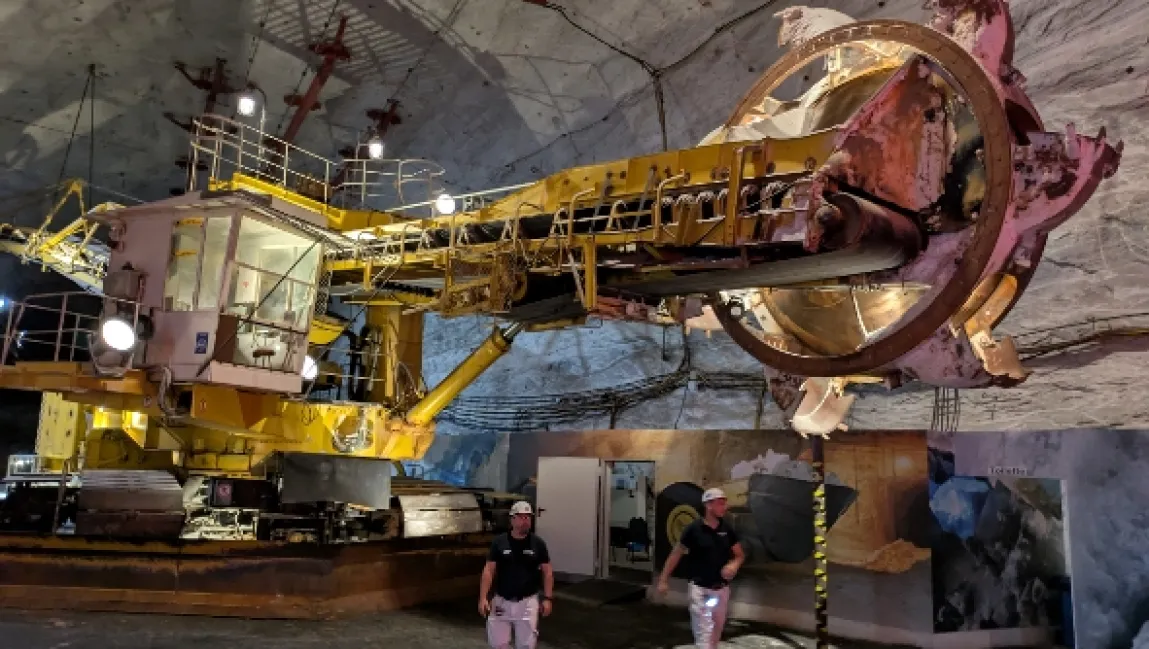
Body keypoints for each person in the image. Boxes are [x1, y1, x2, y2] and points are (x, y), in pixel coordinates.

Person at [657, 487, 744, 649]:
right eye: (720, 503)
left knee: (715, 634)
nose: (724, 507)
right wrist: (663, 580)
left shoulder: (727, 529)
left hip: (721, 590)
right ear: (708, 505)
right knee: (704, 636)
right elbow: (676, 554)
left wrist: (733, 565)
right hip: (700, 590)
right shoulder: (693, 529)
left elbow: (739, 555)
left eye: (724, 503)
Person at [479, 500, 554, 649]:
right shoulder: (499, 542)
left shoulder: (538, 544)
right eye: (521, 517)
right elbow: (489, 570)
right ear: (512, 519)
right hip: (501, 601)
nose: (525, 521)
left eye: (528, 517)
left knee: (526, 645)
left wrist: (548, 598)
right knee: (498, 644)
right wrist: (483, 598)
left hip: (527, 602)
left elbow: (548, 572)